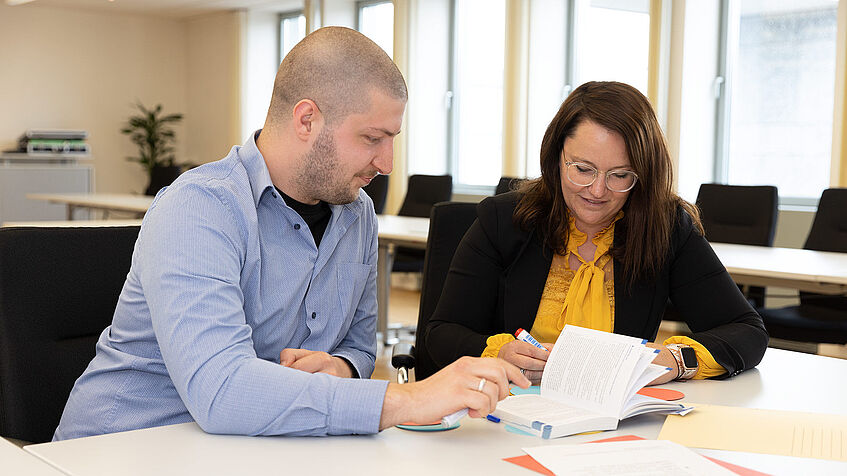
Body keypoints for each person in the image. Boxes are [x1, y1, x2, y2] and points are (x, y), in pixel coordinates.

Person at [54, 26, 528, 441]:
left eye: (392, 140)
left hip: (254, 446)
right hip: (122, 449)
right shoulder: (199, 208)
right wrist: (406, 401)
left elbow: (361, 346)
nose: (386, 165)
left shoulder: (356, 213)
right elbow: (221, 391)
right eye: (372, 139)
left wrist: (339, 368)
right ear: (307, 120)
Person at [425, 81, 768, 386]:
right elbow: (442, 333)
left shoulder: (665, 228)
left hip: (615, 424)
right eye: (583, 169)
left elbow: (747, 331)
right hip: (506, 412)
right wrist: (500, 354)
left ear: (643, 175)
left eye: (620, 175)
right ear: (556, 157)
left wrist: (675, 360)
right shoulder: (503, 220)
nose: (597, 190)